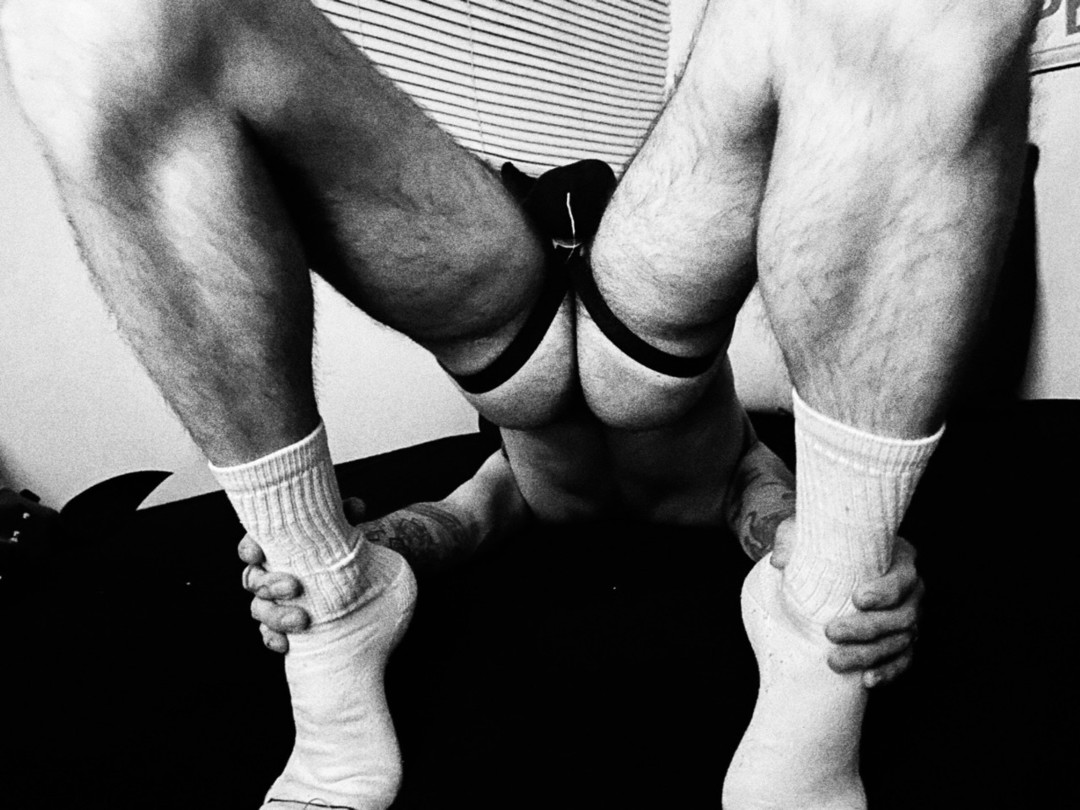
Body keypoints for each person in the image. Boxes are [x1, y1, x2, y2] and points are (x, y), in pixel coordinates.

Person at [0, 1, 1037, 808]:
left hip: (619, 319)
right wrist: (344, 560)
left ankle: (820, 643)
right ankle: (333, 616)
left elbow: (749, 498)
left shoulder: (646, 475)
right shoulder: (557, 478)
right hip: (548, 320)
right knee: (97, 21)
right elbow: (463, 521)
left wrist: (830, 560)